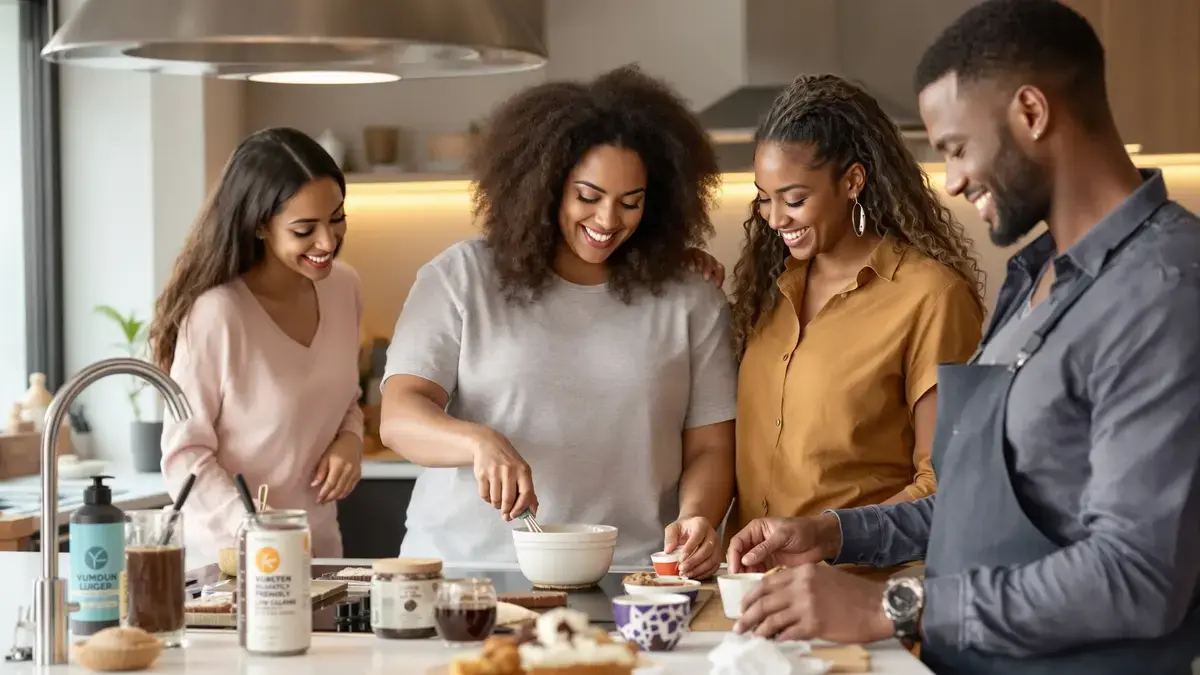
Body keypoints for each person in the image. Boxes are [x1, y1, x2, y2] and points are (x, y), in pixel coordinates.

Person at [727, 1, 1200, 673]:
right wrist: (830, 532)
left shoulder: (1165, 288)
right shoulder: (1033, 282)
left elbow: (1138, 577)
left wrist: (893, 604)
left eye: (956, 147)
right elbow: (971, 505)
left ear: (1031, 113)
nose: (950, 180)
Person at [379, 65, 736, 576]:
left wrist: (698, 517)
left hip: (626, 573)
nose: (608, 220)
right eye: (588, 197)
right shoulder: (461, 277)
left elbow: (710, 447)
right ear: (543, 186)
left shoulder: (691, 300)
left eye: (630, 202)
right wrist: (477, 442)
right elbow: (399, 416)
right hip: (464, 568)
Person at [728, 73, 984, 580]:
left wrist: (832, 535)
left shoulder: (931, 298)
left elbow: (947, 485)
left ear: (852, 181)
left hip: (860, 597)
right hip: (747, 594)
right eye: (763, 198)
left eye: (793, 199)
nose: (775, 219)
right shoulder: (765, 292)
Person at [152, 127, 365, 565]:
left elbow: (347, 398)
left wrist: (350, 439)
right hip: (231, 562)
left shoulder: (344, 288)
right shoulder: (218, 314)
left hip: (320, 554)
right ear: (261, 225)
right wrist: (253, 528)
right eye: (305, 229)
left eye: (336, 219)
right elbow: (185, 455)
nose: (328, 242)